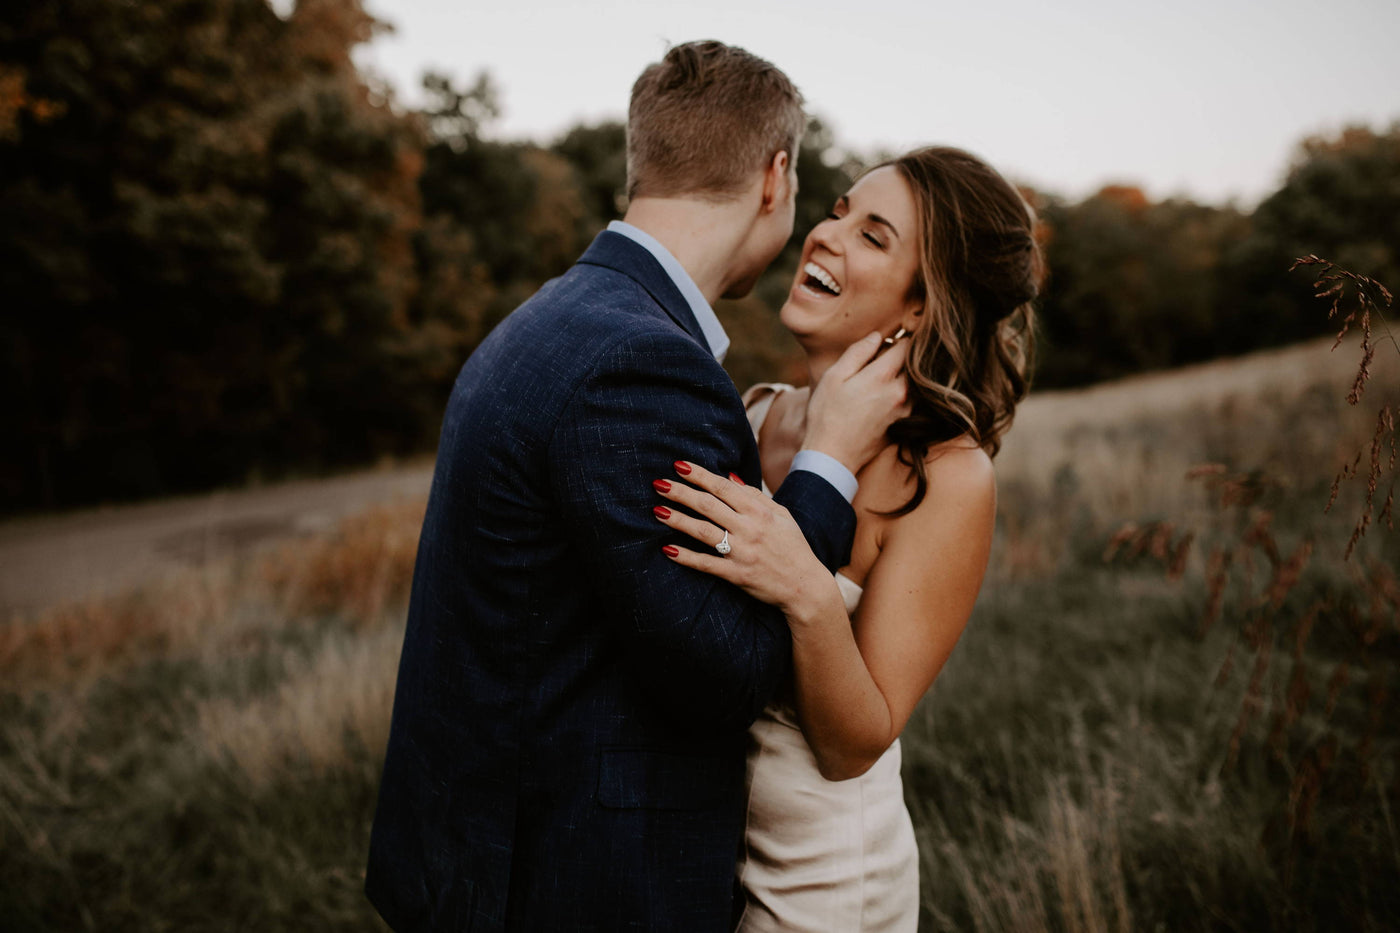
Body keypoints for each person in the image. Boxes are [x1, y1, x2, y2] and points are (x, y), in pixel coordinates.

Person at [364, 41, 908, 932]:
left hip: (477, 855)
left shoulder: (547, 320)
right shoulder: (643, 364)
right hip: (571, 880)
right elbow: (731, 671)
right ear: (775, 180)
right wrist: (829, 463)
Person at [653, 146, 1041, 931]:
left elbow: (853, 743)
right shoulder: (754, 411)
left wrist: (805, 585)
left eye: (874, 236)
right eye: (837, 211)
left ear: (921, 308)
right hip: (698, 866)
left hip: (823, 887)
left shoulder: (945, 475)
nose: (826, 237)